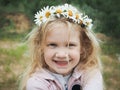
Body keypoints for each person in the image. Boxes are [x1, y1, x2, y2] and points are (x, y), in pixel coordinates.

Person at [19, 4, 103, 90]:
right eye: (53, 45)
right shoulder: (36, 83)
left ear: (83, 47)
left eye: (70, 45)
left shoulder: (90, 73)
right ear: (41, 47)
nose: (61, 54)